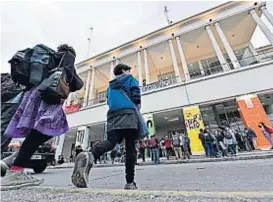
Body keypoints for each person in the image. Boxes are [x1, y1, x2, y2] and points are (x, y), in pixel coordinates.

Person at [1, 44, 83, 189]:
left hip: (33, 96)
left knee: (39, 133)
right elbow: (74, 81)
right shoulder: (67, 56)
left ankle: (12, 163)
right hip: (48, 98)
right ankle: (15, 170)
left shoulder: (45, 60)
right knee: (41, 133)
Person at [71, 64, 142, 190]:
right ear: (124, 71)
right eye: (128, 70)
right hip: (129, 115)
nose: (129, 72)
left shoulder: (110, 86)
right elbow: (136, 93)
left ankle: (90, 154)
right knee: (130, 147)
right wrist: (137, 106)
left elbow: (109, 102)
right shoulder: (129, 79)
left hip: (112, 117)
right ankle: (130, 182)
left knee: (110, 142)